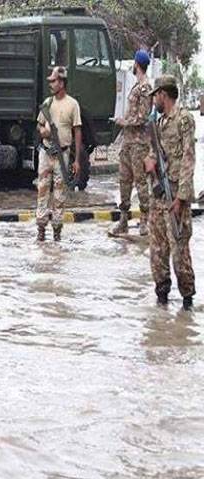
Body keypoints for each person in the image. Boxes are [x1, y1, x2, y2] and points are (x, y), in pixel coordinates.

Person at [144, 75, 196, 310]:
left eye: (155, 95)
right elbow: (157, 152)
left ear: (163, 95)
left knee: (179, 252)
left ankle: (187, 302)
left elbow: (188, 157)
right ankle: (162, 298)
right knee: (157, 249)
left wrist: (182, 197)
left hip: (176, 194)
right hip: (158, 195)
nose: (154, 99)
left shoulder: (183, 119)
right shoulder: (159, 122)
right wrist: (150, 161)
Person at [36, 66, 82, 241]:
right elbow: (39, 124)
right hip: (46, 153)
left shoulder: (72, 104)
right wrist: (44, 131)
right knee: (42, 191)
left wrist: (76, 160)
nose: (51, 84)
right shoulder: (47, 103)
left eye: (53, 81)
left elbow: (77, 131)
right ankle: (41, 230)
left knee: (60, 195)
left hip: (62, 154)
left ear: (62, 83)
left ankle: (57, 231)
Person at [111, 50, 153, 236]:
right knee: (124, 180)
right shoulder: (137, 86)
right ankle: (123, 220)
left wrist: (124, 122)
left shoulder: (145, 88)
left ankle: (145, 221)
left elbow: (143, 117)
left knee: (141, 181)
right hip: (128, 142)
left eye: (134, 63)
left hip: (139, 143)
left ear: (137, 64)